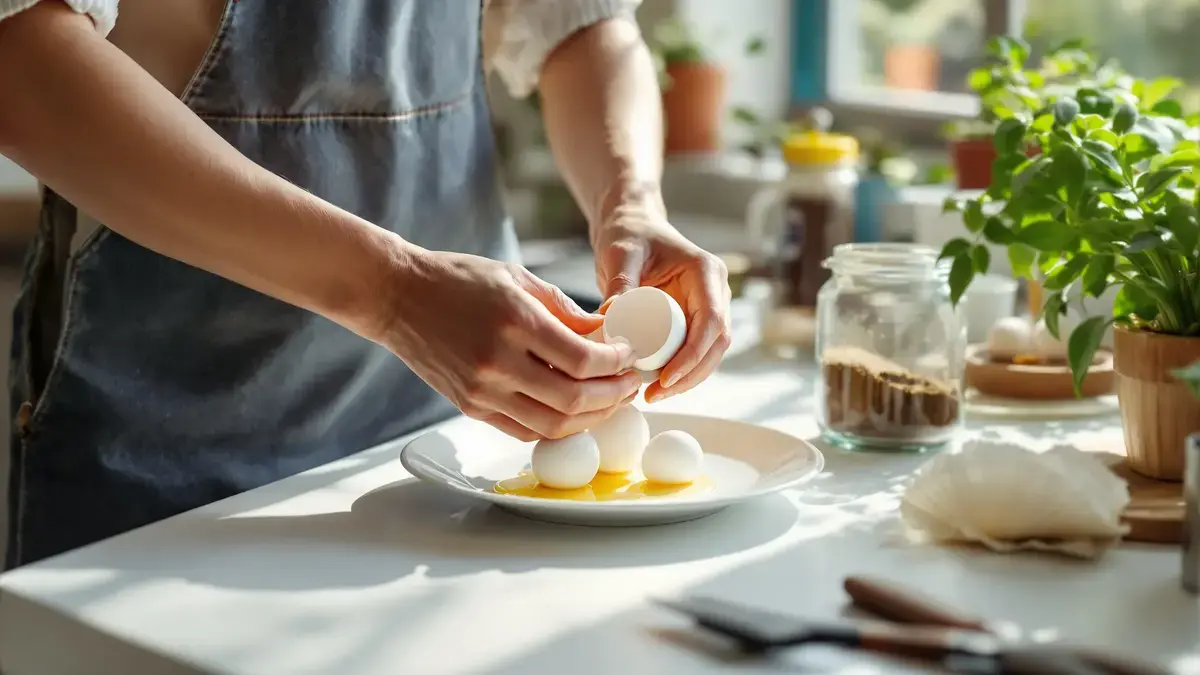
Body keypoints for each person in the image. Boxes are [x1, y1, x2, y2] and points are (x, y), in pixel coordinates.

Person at [0, 0, 732, 569]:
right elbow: (20, 61)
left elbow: (585, 22)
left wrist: (630, 199)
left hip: (457, 455)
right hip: (167, 461)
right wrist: (398, 292)